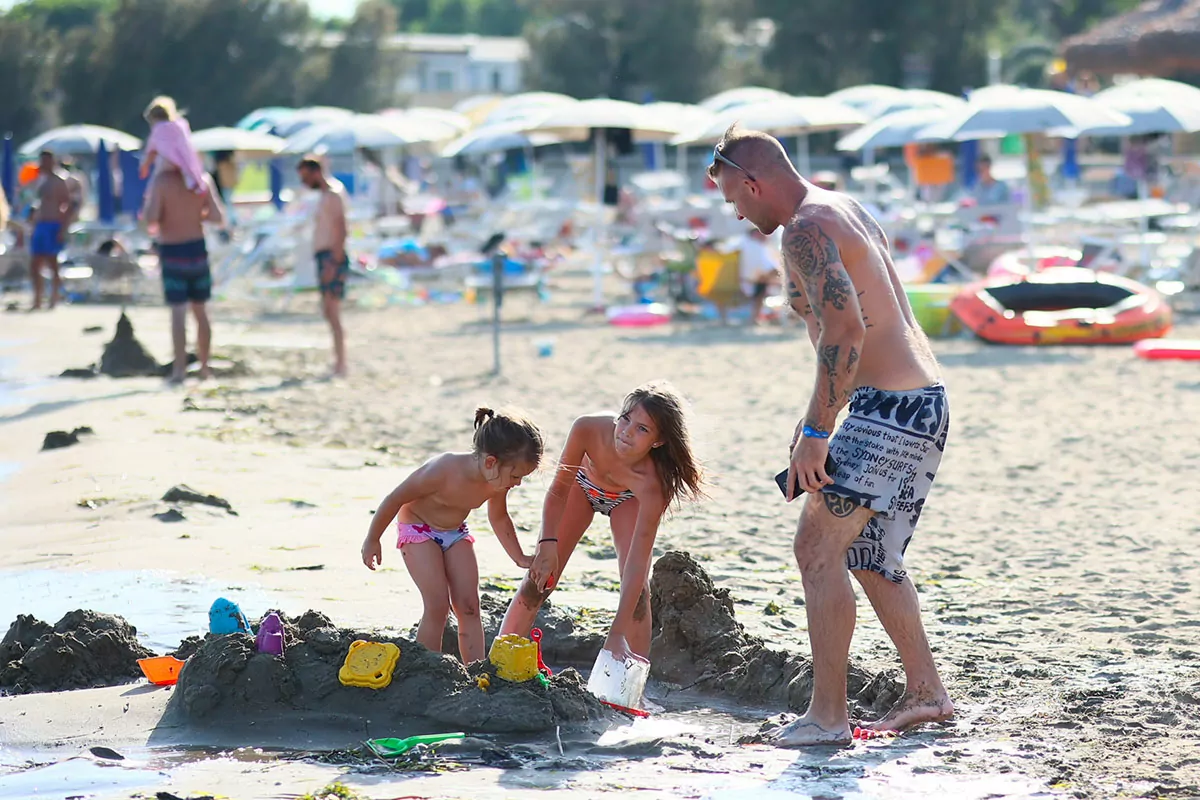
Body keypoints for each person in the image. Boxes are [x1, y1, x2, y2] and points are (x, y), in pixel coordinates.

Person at [707, 123, 953, 745]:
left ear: (754, 181)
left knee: (817, 550)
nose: (733, 210)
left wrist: (821, 429)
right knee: (870, 555)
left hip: (889, 410)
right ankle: (927, 693)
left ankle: (827, 718)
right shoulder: (840, 206)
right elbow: (860, 323)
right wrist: (818, 416)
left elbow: (848, 333)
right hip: (914, 402)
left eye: (733, 195)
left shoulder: (807, 229)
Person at [499, 381, 705, 665]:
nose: (627, 433)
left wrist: (616, 632)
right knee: (539, 579)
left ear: (658, 441)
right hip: (580, 488)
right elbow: (559, 490)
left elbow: (637, 561)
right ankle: (502, 661)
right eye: (626, 419)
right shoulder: (587, 429)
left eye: (642, 429)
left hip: (627, 499)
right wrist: (547, 544)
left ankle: (632, 686)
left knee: (638, 597)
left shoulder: (652, 484)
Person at [361, 408, 544, 664]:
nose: (518, 483)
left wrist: (519, 557)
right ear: (491, 462)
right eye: (516, 476)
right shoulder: (442, 470)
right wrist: (373, 538)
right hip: (418, 530)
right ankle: (427, 668)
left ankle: (476, 668)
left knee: (469, 605)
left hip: (455, 533)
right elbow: (395, 498)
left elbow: (499, 517)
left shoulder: (497, 480)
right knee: (437, 606)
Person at [142, 166, 226, 383]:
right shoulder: (201, 178)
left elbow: (151, 217)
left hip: (172, 250)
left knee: (178, 312)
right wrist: (195, 213)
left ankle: (179, 371)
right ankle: (204, 368)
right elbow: (217, 216)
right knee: (201, 311)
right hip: (197, 249)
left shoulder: (162, 180)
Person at [297, 156, 349, 377]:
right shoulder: (326, 195)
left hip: (331, 258)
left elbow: (341, 229)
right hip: (326, 257)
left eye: (306, 177)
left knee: (333, 312)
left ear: (316, 173)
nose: (305, 183)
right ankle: (338, 361)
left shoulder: (333, 195)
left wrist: (334, 261)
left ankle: (341, 363)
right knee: (328, 311)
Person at [29, 151, 74, 310]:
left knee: (52, 263)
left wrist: (63, 227)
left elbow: (68, 205)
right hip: (40, 225)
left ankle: (54, 298)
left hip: (53, 225)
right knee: (35, 264)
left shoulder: (58, 181)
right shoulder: (40, 180)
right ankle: (37, 298)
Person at [139, 95, 209, 196]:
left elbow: (150, 153)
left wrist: (144, 169)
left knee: (154, 184)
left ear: (153, 118)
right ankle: (194, 184)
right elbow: (186, 148)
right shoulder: (180, 126)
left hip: (167, 165)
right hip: (184, 166)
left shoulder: (158, 130)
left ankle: (149, 198)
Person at [738, 227, 781, 325]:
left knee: (758, 298)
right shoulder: (752, 245)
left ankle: (755, 318)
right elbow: (764, 264)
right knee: (757, 298)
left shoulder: (755, 245)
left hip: (757, 277)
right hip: (756, 277)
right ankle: (754, 318)